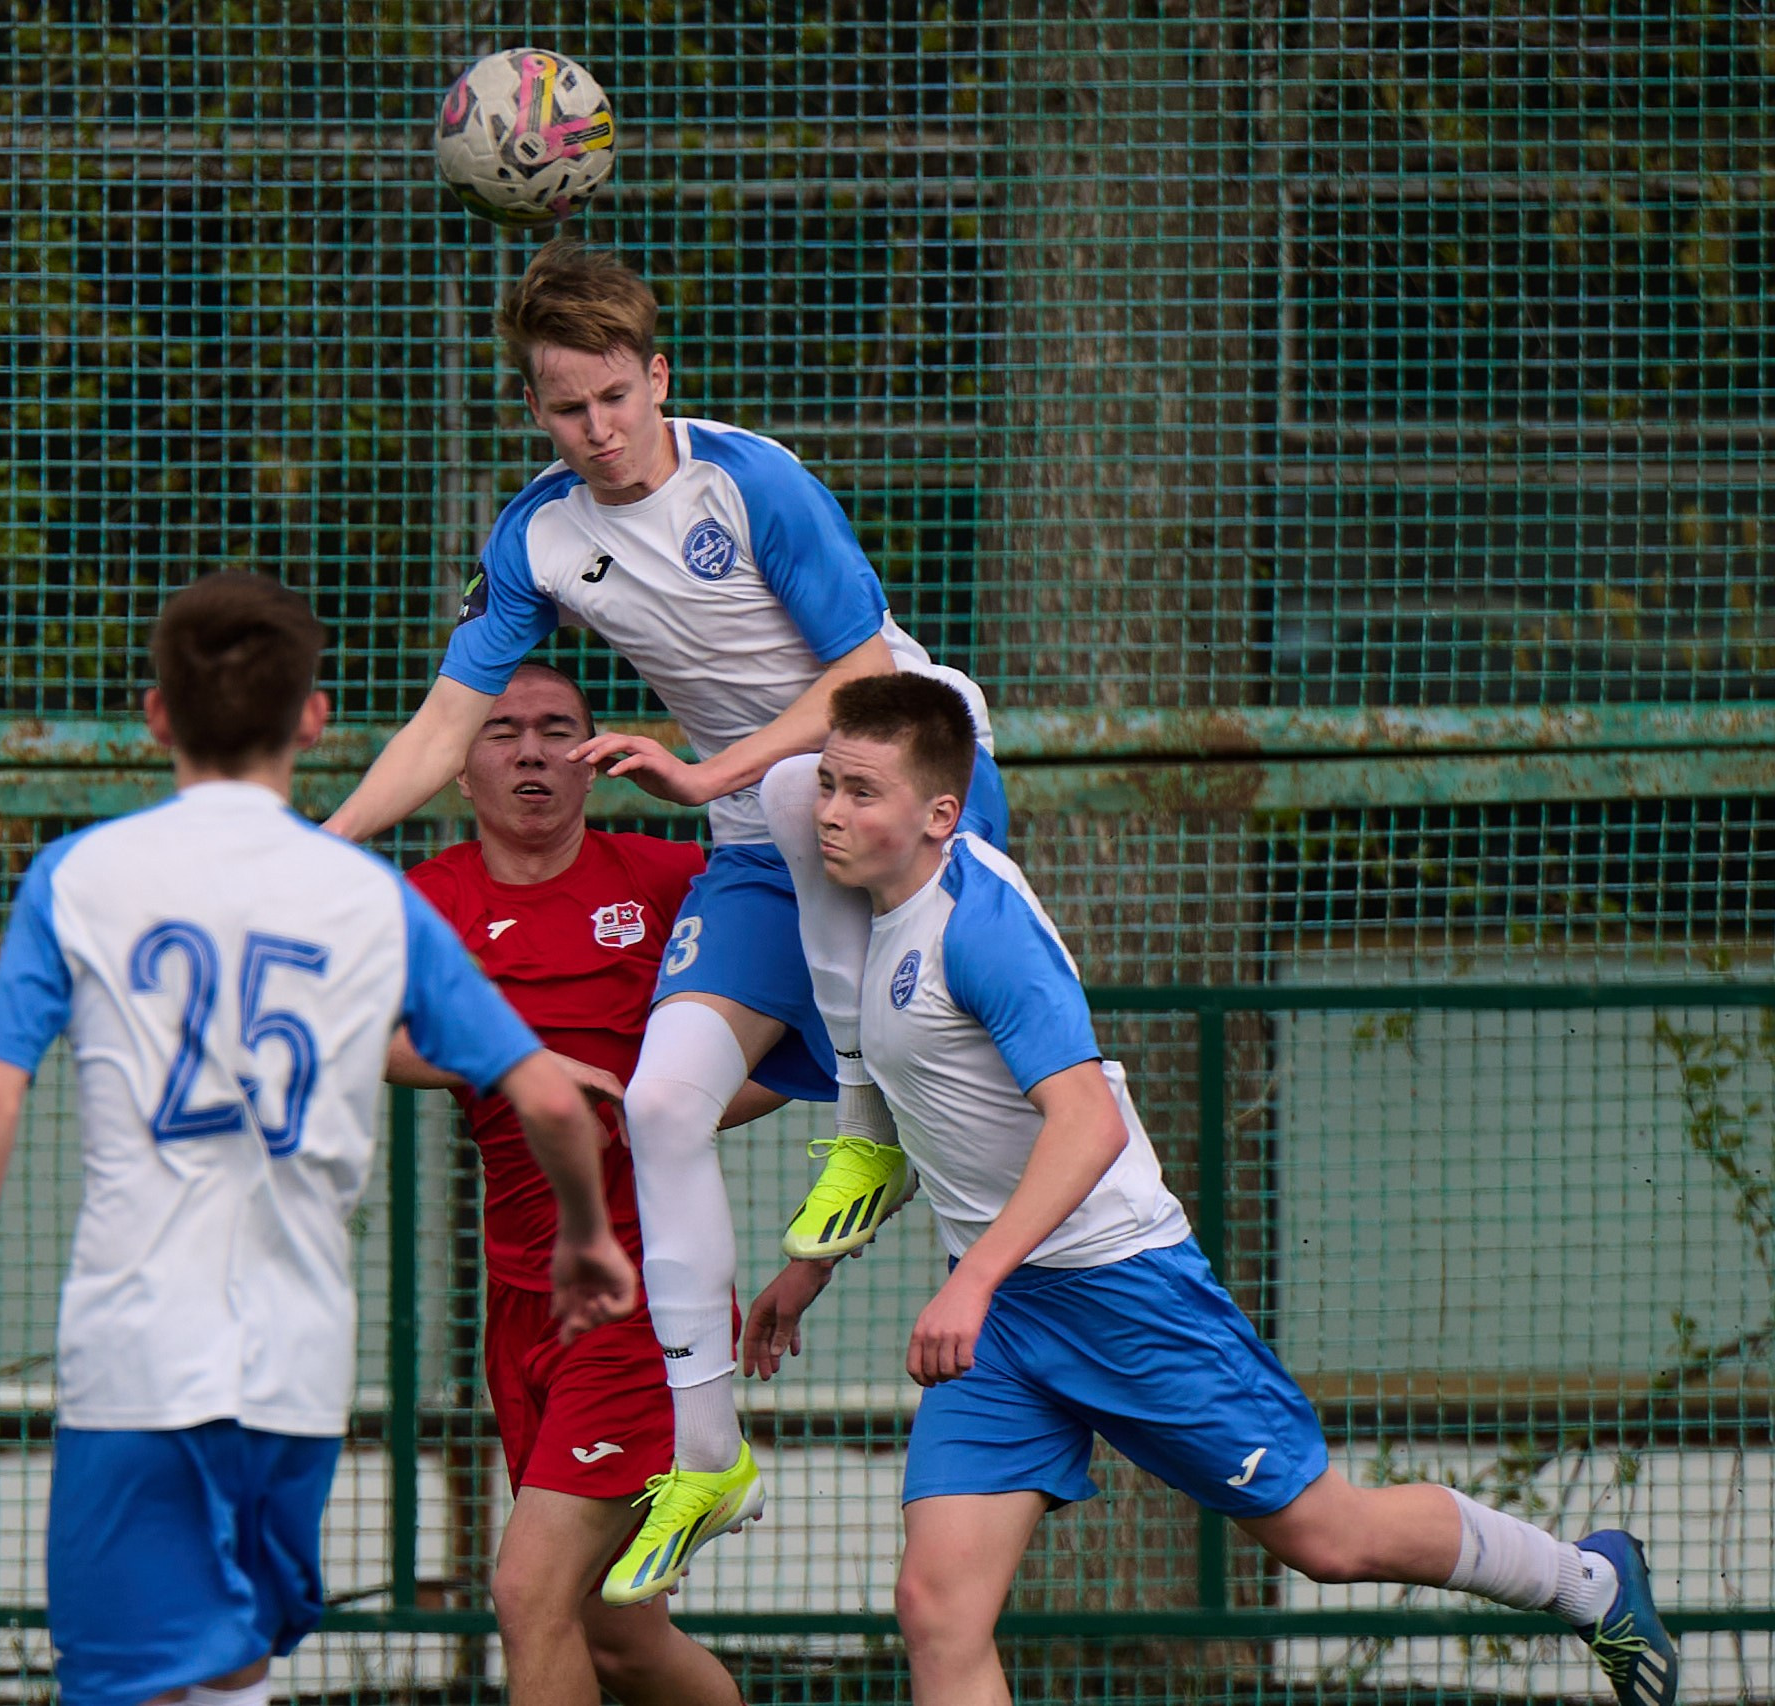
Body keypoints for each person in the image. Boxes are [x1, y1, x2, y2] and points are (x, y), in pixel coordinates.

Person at [741, 673, 1679, 1706]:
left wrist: (973, 1280)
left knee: (1326, 1535)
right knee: (936, 1606)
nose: (829, 810)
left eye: (860, 791)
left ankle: (1587, 1580)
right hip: (1003, 1316)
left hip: (1120, 1288)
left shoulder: (980, 927)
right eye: (827, 784)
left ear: (938, 813)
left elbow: (1088, 1123)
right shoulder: (874, 921)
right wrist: (809, 1265)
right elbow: (911, 1112)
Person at [324, 235, 1000, 1593]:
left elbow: (865, 682)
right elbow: (445, 722)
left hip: (902, 771)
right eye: (568, 408)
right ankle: (709, 1451)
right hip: (761, 819)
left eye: (618, 397)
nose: (599, 430)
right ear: (536, 408)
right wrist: (308, 853)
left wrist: (708, 772)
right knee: (658, 1102)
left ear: (658, 376)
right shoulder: (538, 536)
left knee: (820, 789)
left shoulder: (750, 481)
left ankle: (876, 1125)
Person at [0, 574, 637, 1706]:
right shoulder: (368, 893)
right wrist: (588, 1233)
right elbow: (544, 1096)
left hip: (135, 1352)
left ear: (156, 716)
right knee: (233, 1663)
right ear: (312, 719)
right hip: (296, 1367)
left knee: (123, 1679)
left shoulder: (82, 874)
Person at [394, 662, 782, 1699]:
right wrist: (513, 1066)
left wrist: (657, 1112)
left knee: (529, 1592)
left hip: (644, 1298)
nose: (528, 748)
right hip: (524, 1301)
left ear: (594, 757)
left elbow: (787, 1048)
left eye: (555, 727)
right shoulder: (424, 900)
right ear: (457, 770)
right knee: (614, 1629)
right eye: (500, 728)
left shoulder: (666, 879)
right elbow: (346, 1034)